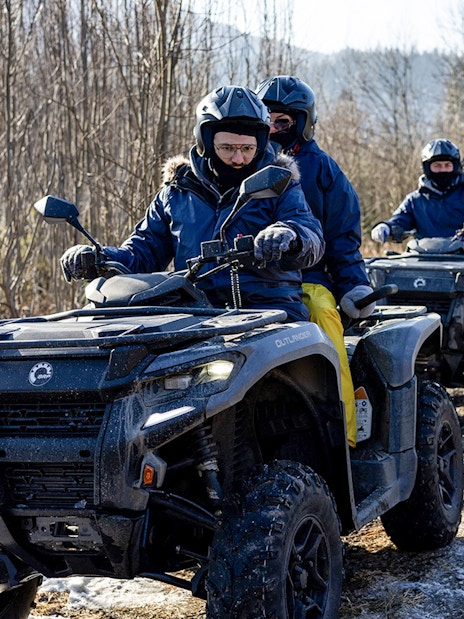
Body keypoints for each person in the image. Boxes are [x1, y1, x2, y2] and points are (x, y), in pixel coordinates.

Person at [60, 85, 325, 323]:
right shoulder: (177, 192)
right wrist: (98, 257)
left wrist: (290, 235)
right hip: (192, 312)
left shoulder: (279, 183)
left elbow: (309, 233)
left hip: (269, 312)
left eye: (247, 149)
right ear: (207, 143)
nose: (238, 158)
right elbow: (141, 253)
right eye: (227, 148)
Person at [256, 75, 375, 447]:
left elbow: (342, 237)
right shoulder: (242, 164)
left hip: (308, 277)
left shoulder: (323, 170)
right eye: (267, 121)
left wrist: (353, 284)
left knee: (325, 319)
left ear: (303, 123)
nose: (274, 129)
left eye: (283, 122)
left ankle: (345, 436)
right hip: (244, 283)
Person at [371, 138, 464, 243]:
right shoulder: (414, 200)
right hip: (424, 257)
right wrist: (386, 227)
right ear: (427, 168)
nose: (442, 170)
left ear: (455, 167)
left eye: (447, 165)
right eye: (437, 166)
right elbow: (399, 221)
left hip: (460, 257)